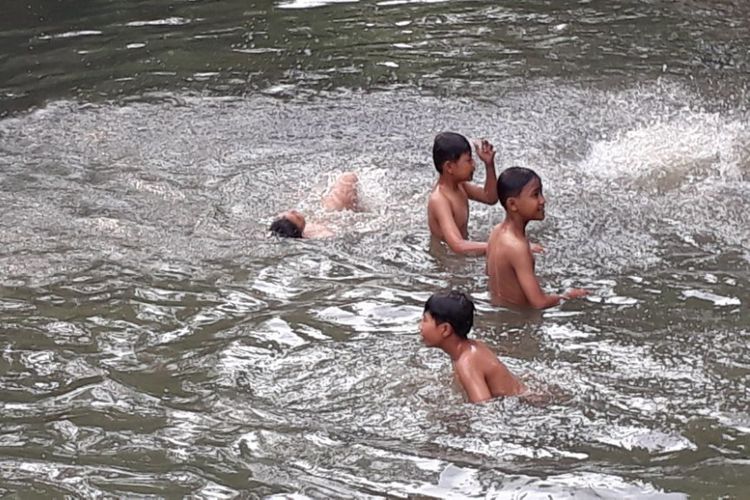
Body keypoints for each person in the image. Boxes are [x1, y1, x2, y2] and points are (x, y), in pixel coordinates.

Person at [487, 167, 588, 309]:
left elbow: (489, 274)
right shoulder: (518, 247)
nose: (542, 200)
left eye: (541, 193)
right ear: (512, 204)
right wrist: (568, 296)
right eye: (535, 195)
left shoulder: (496, 232)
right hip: (520, 323)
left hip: (500, 312)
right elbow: (539, 303)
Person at [419, 290, 526, 403]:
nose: (420, 326)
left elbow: (483, 407)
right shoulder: (470, 348)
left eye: (425, 320)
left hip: (521, 405)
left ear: (445, 329)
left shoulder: (466, 362)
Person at [427, 132, 499, 255]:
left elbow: (490, 197)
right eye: (468, 161)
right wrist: (503, 246)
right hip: (448, 265)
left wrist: (489, 164)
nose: (473, 165)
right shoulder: (440, 200)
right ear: (449, 167)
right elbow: (458, 245)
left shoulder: (460, 186)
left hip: (462, 255)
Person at [270, 172, 359, 238]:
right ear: (301, 229)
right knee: (348, 179)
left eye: (286, 214)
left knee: (347, 178)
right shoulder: (323, 235)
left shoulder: (278, 230)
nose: (293, 211)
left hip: (326, 217)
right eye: (297, 217)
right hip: (338, 220)